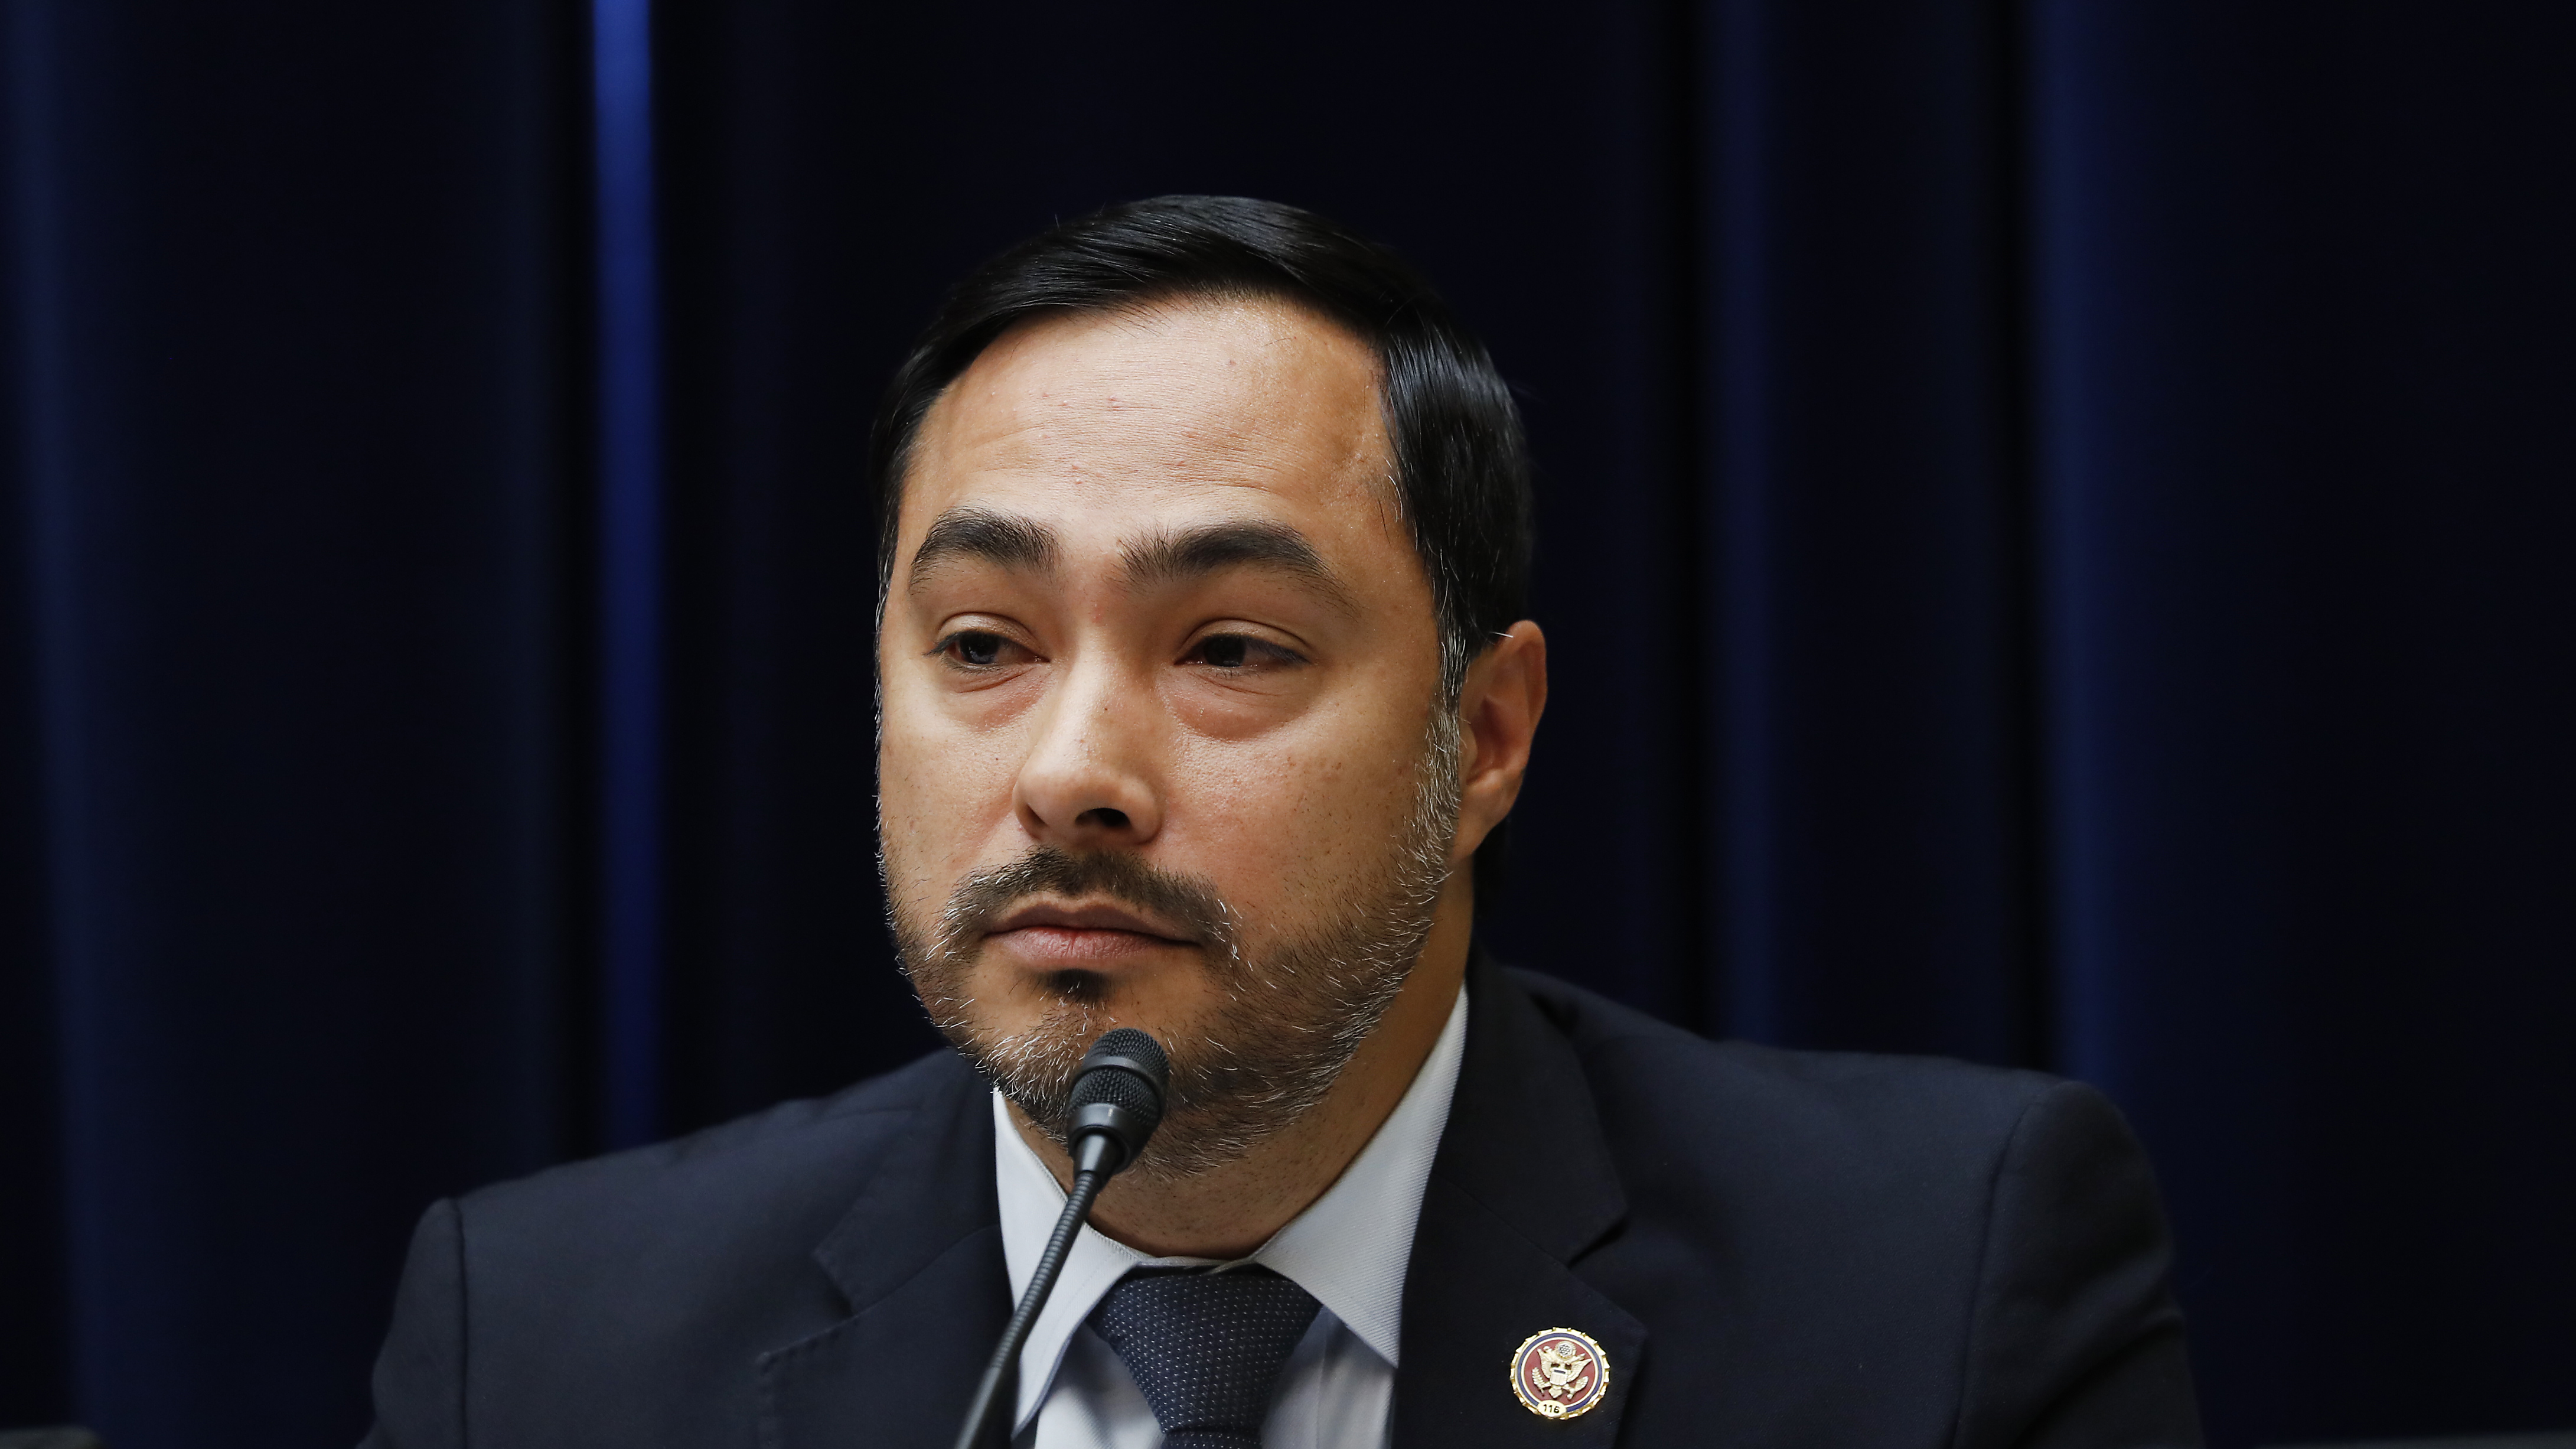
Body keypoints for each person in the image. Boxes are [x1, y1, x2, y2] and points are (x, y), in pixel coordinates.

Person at [359, 196, 2200, 1449]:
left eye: (1228, 648)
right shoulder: (539, 1346)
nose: (1071, 769)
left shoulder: (1932, 1279)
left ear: (1481, 736)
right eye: (982, 642)